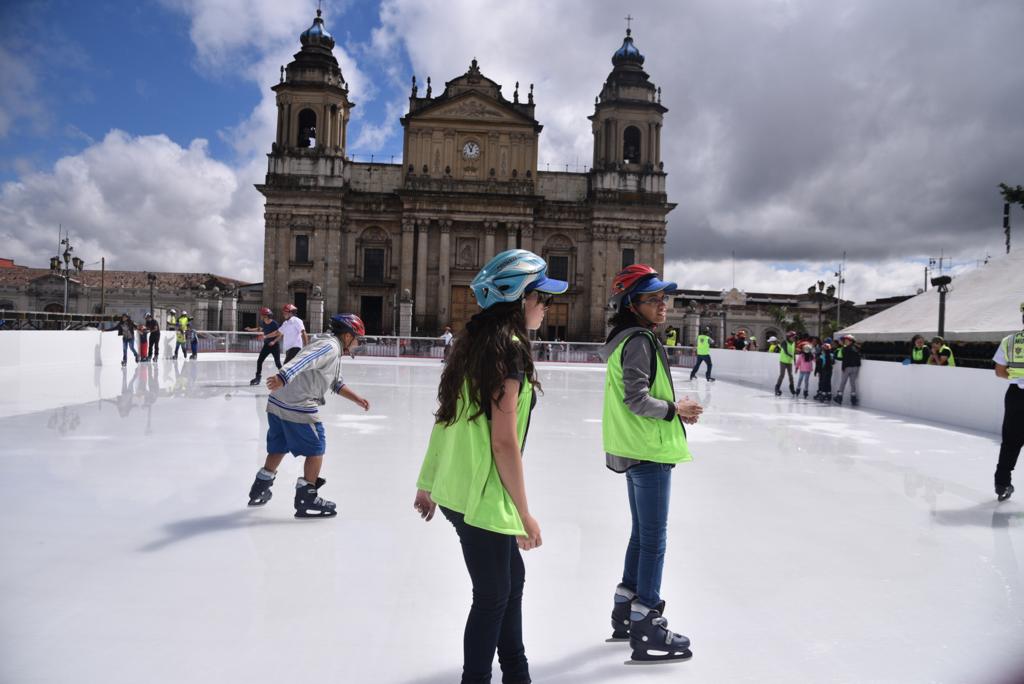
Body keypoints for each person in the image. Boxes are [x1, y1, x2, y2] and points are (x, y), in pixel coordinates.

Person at [413, 249, 567, 684]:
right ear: (520, 299)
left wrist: (427, 483)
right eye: (542, 298)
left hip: (459, 492)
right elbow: (503, 442)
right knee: (493, 596)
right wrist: (524, 514)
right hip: (482, 497)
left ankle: (517, 675)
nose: (546, 307)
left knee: (509, 585)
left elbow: (447, 419)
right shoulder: (511, 352)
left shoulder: (476, 345)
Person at [599, 263, 701, 665]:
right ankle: (647, 621)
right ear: (631, 304)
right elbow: (636, 398)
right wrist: (678, 409)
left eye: (664, 297)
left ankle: (625, 609)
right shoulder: (639, 339)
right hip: (648, 448)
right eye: (654, 299)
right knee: (654, 539)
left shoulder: (624, 337)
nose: (663, 305)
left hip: (633, 446)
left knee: (641, 534)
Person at [247, 313, 369, 517]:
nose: (357, 343)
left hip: (278, 401)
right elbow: (306, 359)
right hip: (297, 403)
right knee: (316, 447)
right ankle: (307, 497)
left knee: (280, 445)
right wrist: (283, 376)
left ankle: (260, 487)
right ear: (347, 335)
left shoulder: (331, 348)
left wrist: (356, 398)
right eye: (356, 338)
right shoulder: (330, 347)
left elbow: (335, 382)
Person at [992, 303, 1024, 502]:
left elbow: (999, 371)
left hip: (1015, 395)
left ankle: (1002, 484)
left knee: (1011, 442)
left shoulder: (1009, 341)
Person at [246, 307, 282, 386]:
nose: (261, 316)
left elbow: (280, 334)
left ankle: (284, 377)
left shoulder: (274, 323)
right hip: (267, 346)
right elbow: (259, 328)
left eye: (262, 315)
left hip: (274, 346)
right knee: (259, 361)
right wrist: (250, 329)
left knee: (277, 363)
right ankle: (257, 378)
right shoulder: (263, 322)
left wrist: (274, 341)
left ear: (266, 315)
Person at [834, 334, 862, 406]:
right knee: (852, 383)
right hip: (855, 367)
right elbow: (858, 358)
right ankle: (853, 398)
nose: (845, 342)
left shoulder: (845, 349)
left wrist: (843, 368)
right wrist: (857, 366)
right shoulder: (857, 348)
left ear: (850, 341)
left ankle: (839, 397)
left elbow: (844, 359)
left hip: (847, 367)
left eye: (846, 340)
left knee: (843, 382)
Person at [774, 330, 798, 396]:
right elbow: (786, 351)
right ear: (789, 337)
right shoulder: (784, 342)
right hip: (783, 361)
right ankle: (777, 388)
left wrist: (795, 361)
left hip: (789, 362)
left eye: (794, 337)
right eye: (793, 337)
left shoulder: (793, 343)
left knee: (790, 375)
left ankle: (792, 389)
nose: (794, 339)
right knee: (782, 375)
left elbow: (794, 353)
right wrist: (791, 355)